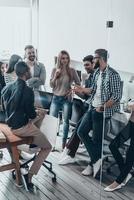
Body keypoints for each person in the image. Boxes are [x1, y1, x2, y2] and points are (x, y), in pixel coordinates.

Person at [1, 61, 52, 191]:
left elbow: (11, 107)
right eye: (29, 71)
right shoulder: (28, 91)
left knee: (38, 115)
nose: (30, 72)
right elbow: (30, 114)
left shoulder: (8, 87)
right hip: (21, 128)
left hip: (10, 124)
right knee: (47, 147)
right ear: (25, 73)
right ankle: (29, 176)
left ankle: (34, 142)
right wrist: (39, 113)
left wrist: (34, 112)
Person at [74, 49, 122, 178]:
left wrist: (103, 107)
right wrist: (81, 89)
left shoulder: (113, 75)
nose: (93, 60)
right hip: (92, 107)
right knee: (81, 132)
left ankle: (92, 164)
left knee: (96, 140)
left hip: (102, 112)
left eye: (94, 58)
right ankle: (96, 159)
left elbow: (117, 96)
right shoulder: (97, 73)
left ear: (100, 58)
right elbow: (93, 90)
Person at [58, 55, 95, 165]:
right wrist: (77, 91)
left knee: (79, 128)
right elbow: (86, 97)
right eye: (84, 65)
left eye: (87, 65)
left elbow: (93, 93)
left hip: (93, 109)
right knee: (78, 128)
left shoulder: (98, 78)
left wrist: (81, 89)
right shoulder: (89, 78)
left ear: (93, 64)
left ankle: (69, 151)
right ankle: (69, 151)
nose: (86, 67)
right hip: (87, 106)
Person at [49, 50, 80, 149]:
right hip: (56, 98)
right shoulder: (55, 70)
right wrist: (55, 77)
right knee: (53, 121)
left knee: (66, 121)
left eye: (67, 58)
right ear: (59, 59)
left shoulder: (72, 70)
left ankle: (63, 145)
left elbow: (78, 84)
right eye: (63, 58)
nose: (65, 60)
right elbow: (51, 85)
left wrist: (71, 90)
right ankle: (52, 144)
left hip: (67, 99)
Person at [104, 101, 134, 192]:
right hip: (131, 124)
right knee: (113, 146)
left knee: (130, 155)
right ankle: (124, 172)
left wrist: (130, 106)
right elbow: (130, 106)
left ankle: (118, 182)